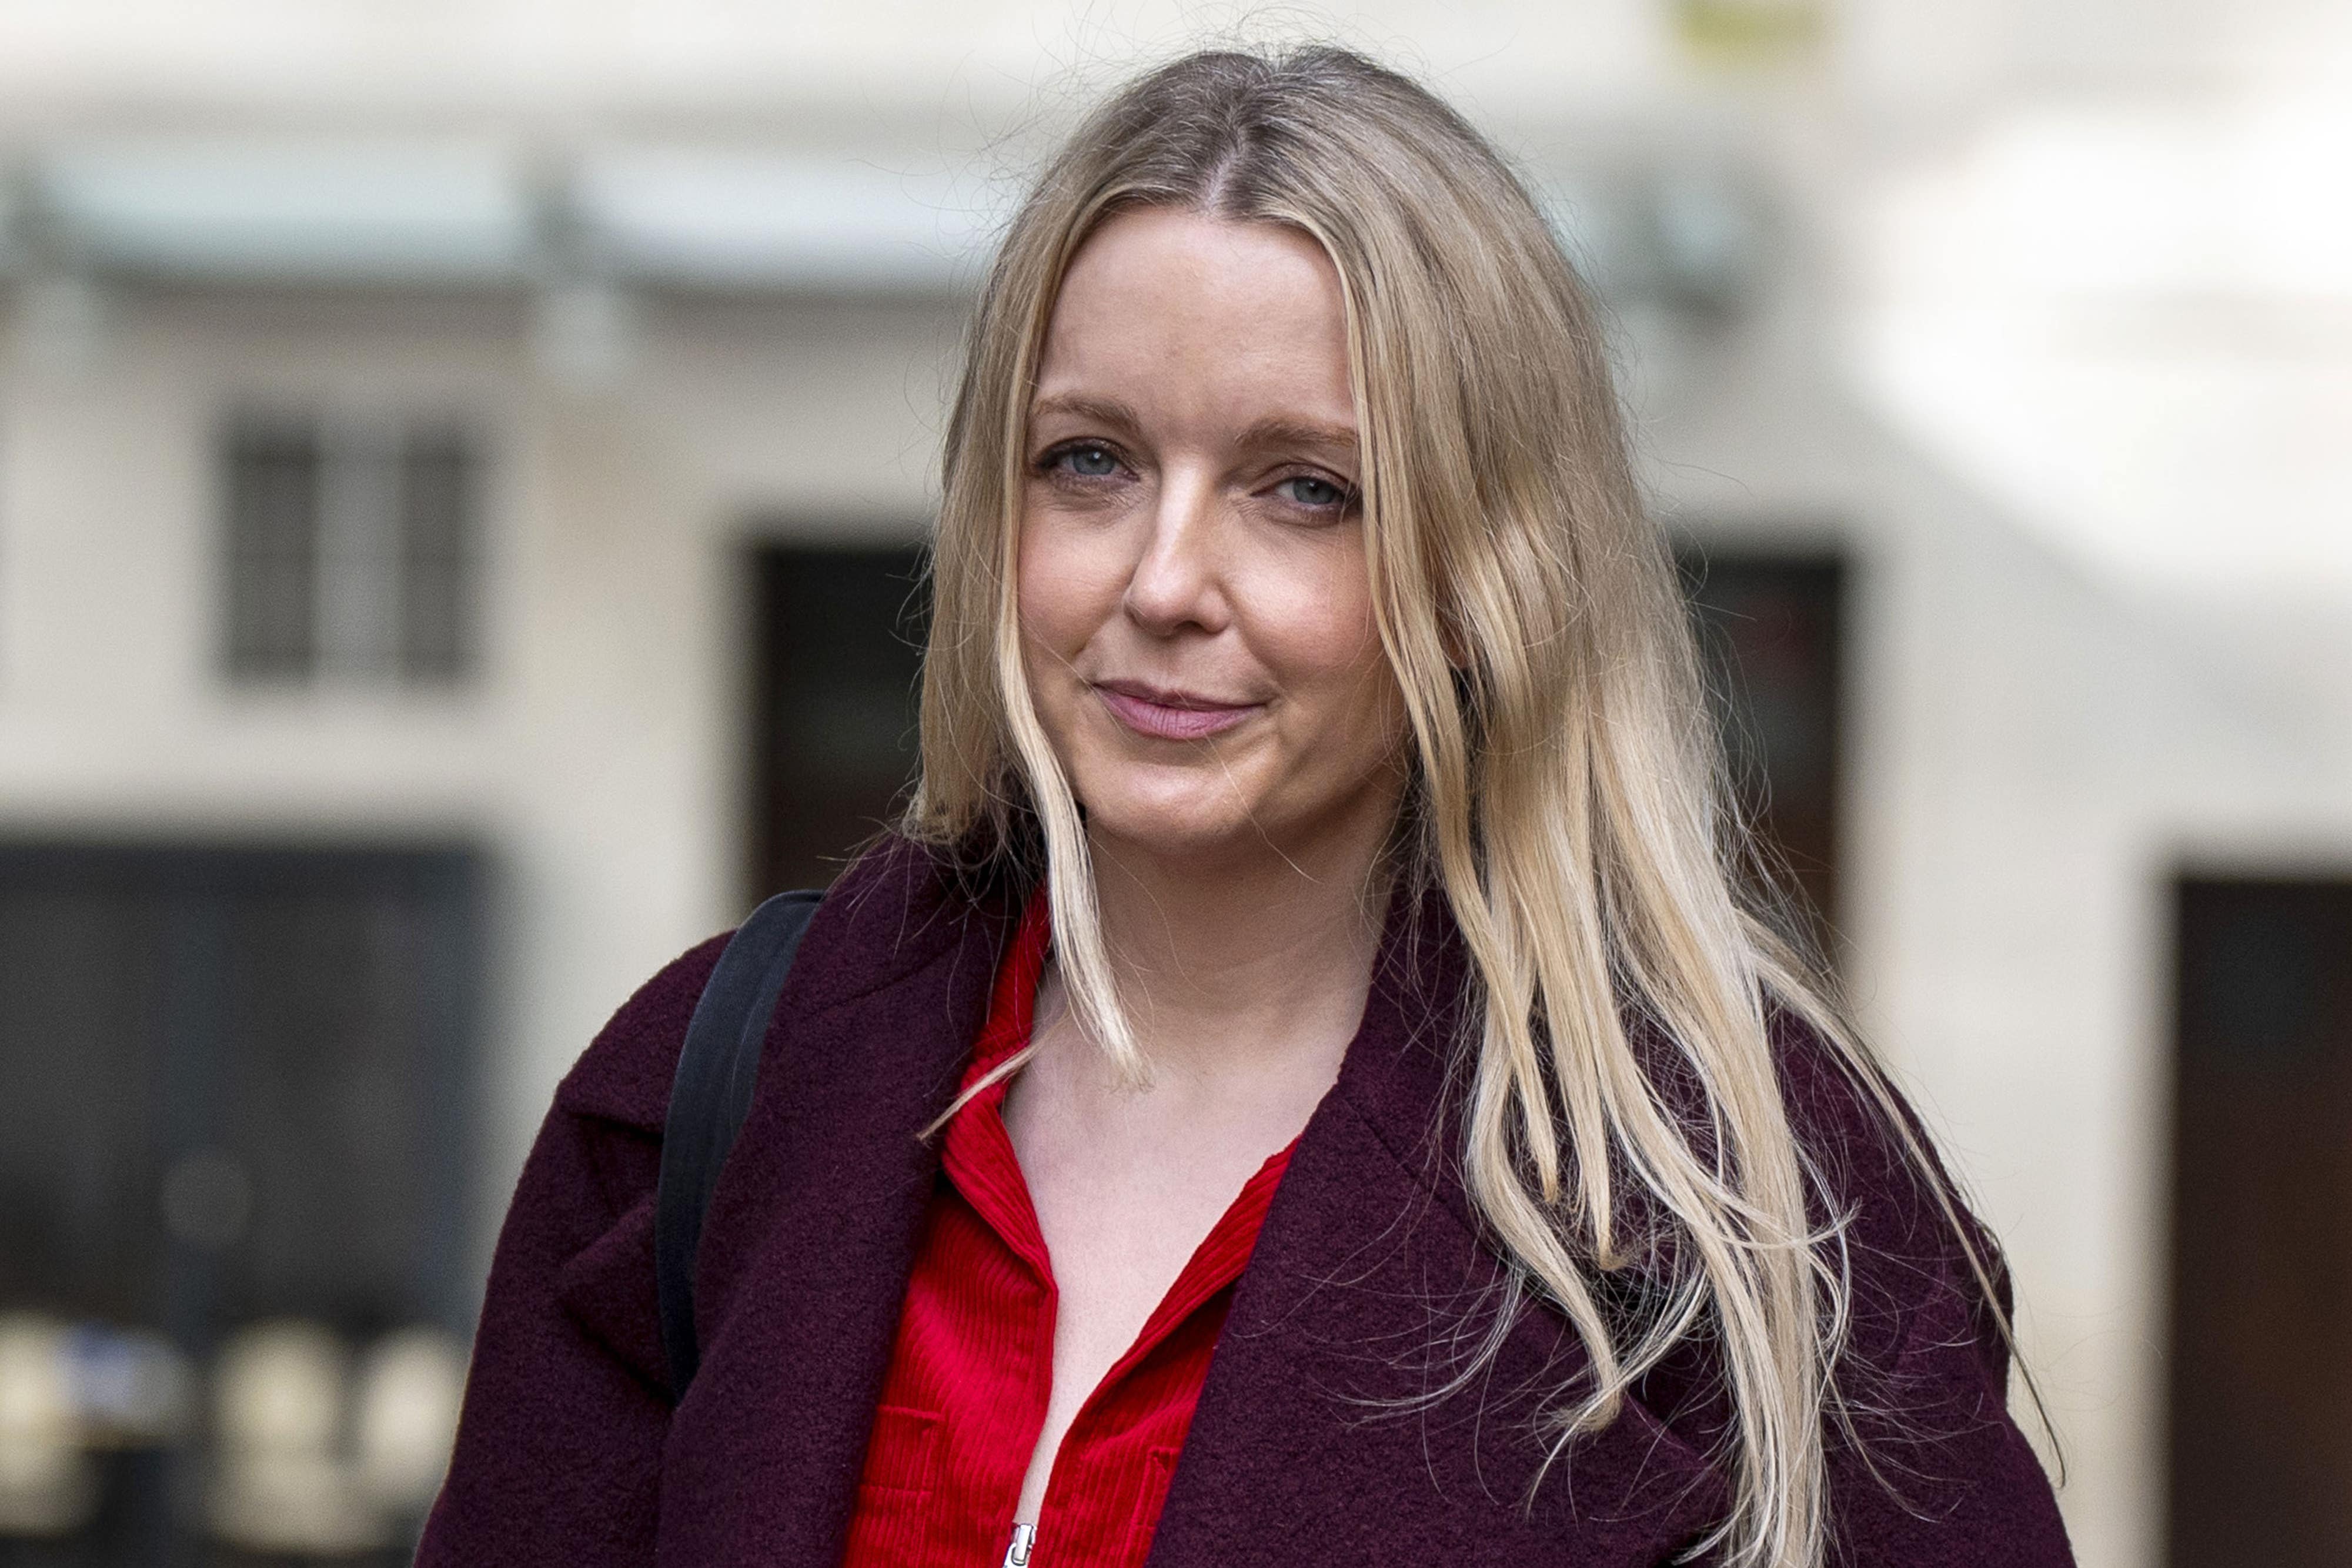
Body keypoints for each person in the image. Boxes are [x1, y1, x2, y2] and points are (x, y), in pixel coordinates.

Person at [419, 46, 2073, 1568]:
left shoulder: (1744, 1207)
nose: (1162, 581)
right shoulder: (709, 1091)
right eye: (1091, 461)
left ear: (1494, 570)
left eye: (1305, 490)